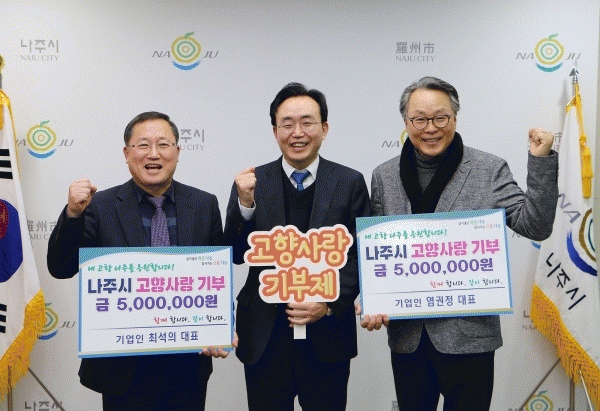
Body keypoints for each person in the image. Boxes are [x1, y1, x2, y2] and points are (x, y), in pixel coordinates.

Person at [359, 76, 558, 411]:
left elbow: (536, 226)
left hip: (470, 340)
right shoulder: (384, 176)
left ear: (454, 118)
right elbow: (377, 252)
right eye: (420, 119)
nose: (430, 128)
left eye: (441, 118)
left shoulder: (488, 169)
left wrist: (540, 160)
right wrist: (371, 297)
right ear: (406, 122)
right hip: (409, 339)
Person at [47, 111, 229, 411]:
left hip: (186, 366)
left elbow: (215, 279)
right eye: (143, 145)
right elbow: (61, 267)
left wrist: (219, 327)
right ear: (127, 153)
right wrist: (73, 214)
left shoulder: (203, 204)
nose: (153, 154)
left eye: (163, 145)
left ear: (177, 152)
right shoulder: (99, 206)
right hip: (123, 369)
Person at [224, 82, 370, 411]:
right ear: (275, 131)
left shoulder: (349, 182)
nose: (297, 133)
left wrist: (328, 302)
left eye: (307, 123)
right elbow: (235, 253)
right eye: (287, 124)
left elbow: (361, 255)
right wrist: (245, 204)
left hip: (326, 333)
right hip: (265, 334)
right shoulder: (251, 182)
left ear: (324, 128)